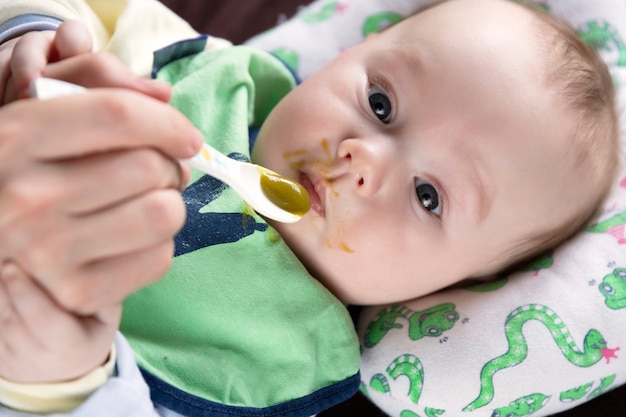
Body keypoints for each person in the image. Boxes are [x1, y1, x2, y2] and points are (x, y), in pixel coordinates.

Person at [0, 0, 619, 416]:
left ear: (448, 288)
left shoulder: (280, 372)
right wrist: (26, 42)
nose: (362, 159)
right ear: (343, 59)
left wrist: (59, 375)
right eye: (380, 104)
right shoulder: (189, 67)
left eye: (428, 196)